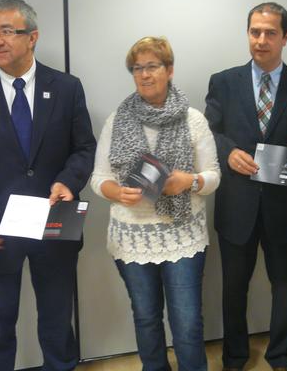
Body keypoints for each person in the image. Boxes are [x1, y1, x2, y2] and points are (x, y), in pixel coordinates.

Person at [0, 0, 96, 371]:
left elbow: (84, 148)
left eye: (7, 31)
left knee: (57, 326)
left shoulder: (67, 87)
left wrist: (68, 181)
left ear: (33, 37)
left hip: (55, 221)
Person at [204, 2, 287, 371]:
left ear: (285, 37)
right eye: (255, 32)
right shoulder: (223, 82)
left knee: (284, 288)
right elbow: (208, 131)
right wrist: (228, 152)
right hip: (237, 204)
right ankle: (234, 357)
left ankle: (282, 356)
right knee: (233, 288)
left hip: (284, 206)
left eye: (270, 33)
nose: (261, 40)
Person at [91, 36, 220, 371]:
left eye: (152, 66)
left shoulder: (193, 119)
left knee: (187, 323)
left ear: (169, 70)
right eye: (137, 68)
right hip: (132, 236)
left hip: (182, 236)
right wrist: (116, 193)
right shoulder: (117, 120)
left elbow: (213, 176)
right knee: (146, 318)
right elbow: (98, 178)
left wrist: (189, 181)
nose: (144, 75)